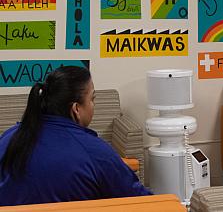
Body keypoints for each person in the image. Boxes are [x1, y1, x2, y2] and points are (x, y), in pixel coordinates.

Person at [0, 66, 151, 206]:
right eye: (92, 99)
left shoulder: (7, 139)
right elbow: (141, 202)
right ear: (76, 109)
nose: (93, 105)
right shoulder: (96, 153)